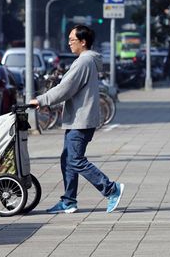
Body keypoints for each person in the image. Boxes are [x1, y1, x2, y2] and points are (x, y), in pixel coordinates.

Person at [30, 25, 124, 214]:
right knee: (68, 159)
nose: (69, 43)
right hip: (79, 119)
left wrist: (41, 100)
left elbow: (66, 88)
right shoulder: (87, 61)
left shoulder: (83, 62)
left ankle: (111, 189)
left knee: (75, 160)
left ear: (83, 42)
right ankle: (69, 201)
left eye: (72, 40)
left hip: (81, 120)